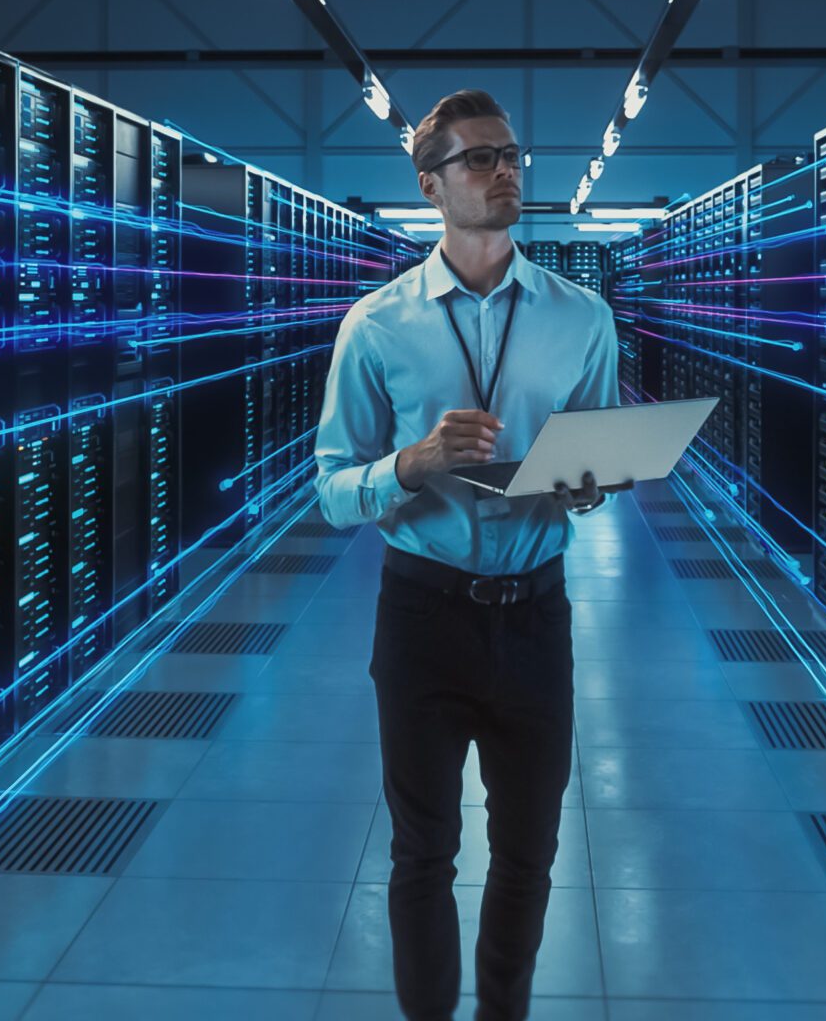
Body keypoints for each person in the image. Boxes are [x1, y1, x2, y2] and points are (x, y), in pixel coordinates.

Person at [313, 88, 621, 1021]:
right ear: (431, 184)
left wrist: (592, 480)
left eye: (511, 155)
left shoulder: (583, 317)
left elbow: (602, 452)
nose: (504, 172)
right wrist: (411, 463)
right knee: (424, 853)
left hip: (537, 614)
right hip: (423, 614)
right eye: (480, 159)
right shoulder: (376, 324)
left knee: (530, 853)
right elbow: (330, 490)